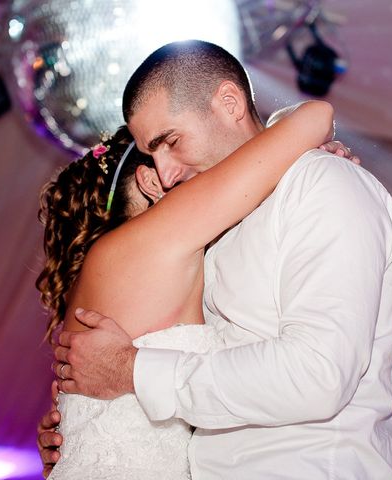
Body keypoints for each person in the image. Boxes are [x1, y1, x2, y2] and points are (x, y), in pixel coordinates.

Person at [42, 39, 392, 479]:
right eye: (151, 156)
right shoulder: (205, 236)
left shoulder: (322, 185)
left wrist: (132, 370)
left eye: (171, 141)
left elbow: (318, 373)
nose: (165, 173)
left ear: (230, 102)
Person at [36, 100, 336, 479]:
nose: (184, 169)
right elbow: (315, 116)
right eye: (167, 154)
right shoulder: (153, 239)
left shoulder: (134, 266)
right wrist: (289, 144)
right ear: (149, 182)